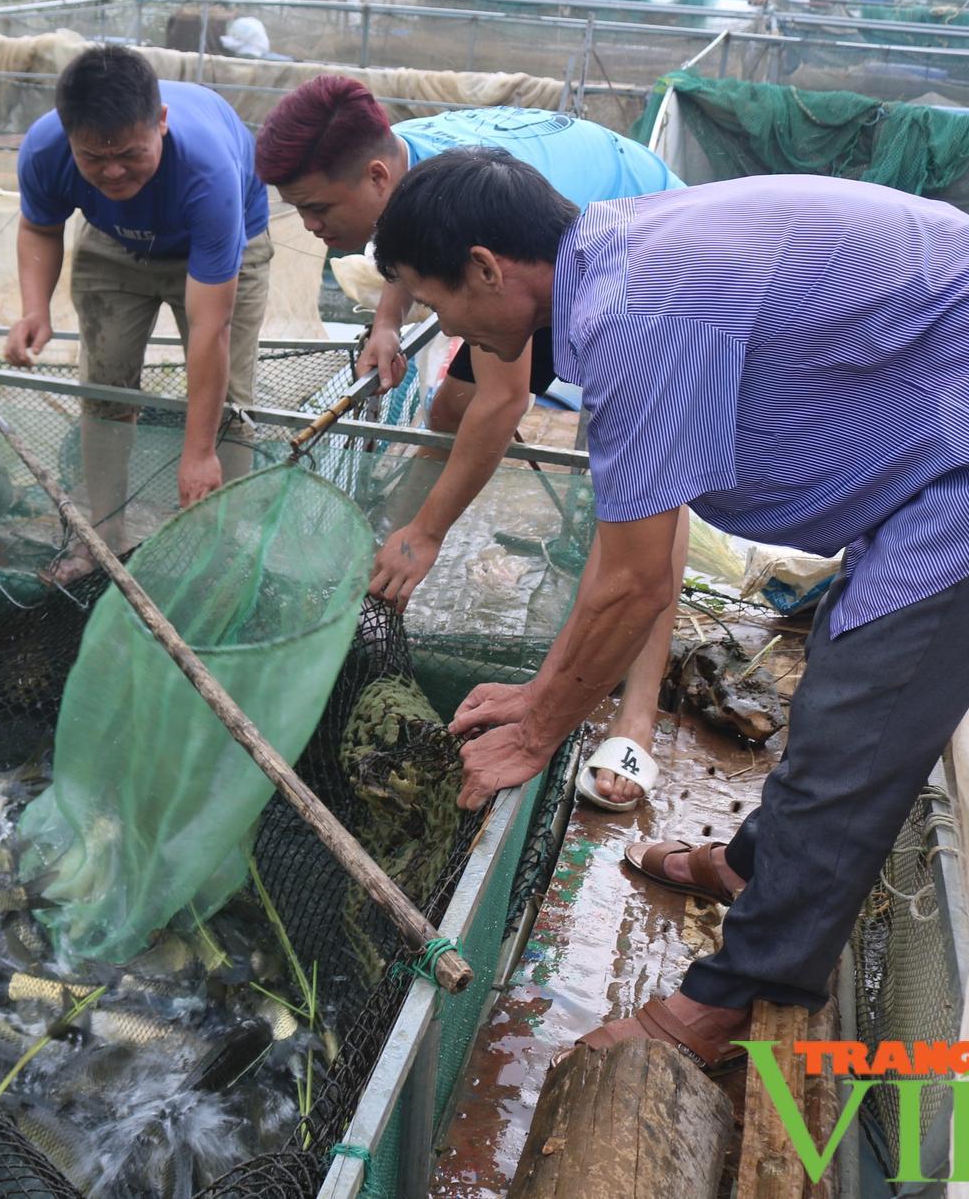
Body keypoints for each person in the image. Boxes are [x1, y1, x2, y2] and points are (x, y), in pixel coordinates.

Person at [371, 148, 969, 1072]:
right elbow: (624, 560)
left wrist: (538, 730)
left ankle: (743, 989)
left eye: (433, 300)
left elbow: (639, 583)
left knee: (866, 704)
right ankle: (754, 867)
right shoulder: (614, 257)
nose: (442, 325)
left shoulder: (636, 315)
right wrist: (543, 692)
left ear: (487, 267)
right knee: (846, 666)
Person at [253, 76, 685, 812]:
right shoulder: (411, 170)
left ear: (379, 176)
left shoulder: (514, 248)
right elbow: (410, 252)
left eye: (318, 209)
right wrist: (388, 320)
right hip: (539, 253)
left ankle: (636, 710)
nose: (311, 228)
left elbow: (504, 398)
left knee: (641, 481)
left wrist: (430, 531)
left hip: (628, 233)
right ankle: (398, 551)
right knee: (448, 401)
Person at [4, 46, 272, 581]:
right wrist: (34, 309)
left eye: (130, 153)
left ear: (162, 124)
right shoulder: (45, 149)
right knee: (104, 390)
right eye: (93, 158)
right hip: (112, 243)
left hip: (216, 245)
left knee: (227, 411)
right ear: (68, 135)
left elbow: (210, 327)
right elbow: (39, 226)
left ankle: (219, 555)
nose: (113, 171)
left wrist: (196, 453)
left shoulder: (207, 168)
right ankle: (100, 541)